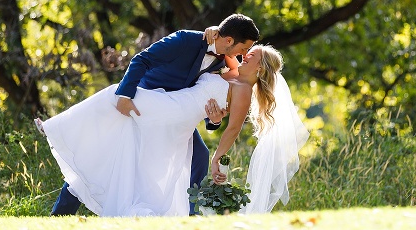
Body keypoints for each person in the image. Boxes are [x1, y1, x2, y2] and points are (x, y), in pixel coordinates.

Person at [39, 43, 308, 216]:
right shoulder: (230, 66)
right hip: (171, 102)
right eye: (245, 50)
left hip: (175, 114)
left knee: (117, 96)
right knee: (118, 123)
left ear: (259, 67)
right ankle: (61, 133)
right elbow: (222, 40)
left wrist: (218, 156)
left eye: (251, 55)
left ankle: (57, 128)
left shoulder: (243, 91)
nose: (243, 54)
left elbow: (233, 128)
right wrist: (212, 34)